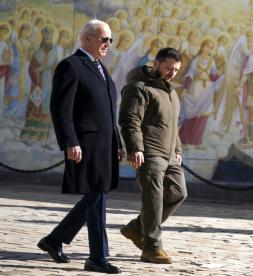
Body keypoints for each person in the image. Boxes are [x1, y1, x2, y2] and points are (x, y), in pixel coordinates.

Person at [39, 19, 122, 274]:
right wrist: (70, 141)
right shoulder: (71, 66)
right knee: (97, 195)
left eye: (110, 39)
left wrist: (116, 142)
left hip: (104, 145)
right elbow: (60, 109)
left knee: (96, 196)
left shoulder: (100, 67)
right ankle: (97, 257)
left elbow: (108, 110)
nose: (108, 44)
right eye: (103, 39)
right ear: (87, 39)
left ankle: (54, 240)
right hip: (85, 144)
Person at [119, 47, 187, 264]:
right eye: (168, 68)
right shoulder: (138, 87)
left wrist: (177, 150)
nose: (172, 73)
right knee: (153, 199)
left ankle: (136, 228)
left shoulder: (171, 92)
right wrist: (135, 148)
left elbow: (173, 126)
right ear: (155, 63)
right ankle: (152, 247)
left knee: (178, 193)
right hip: (149, 153)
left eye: (176, 70)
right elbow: (130, 121)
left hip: (169, 155)